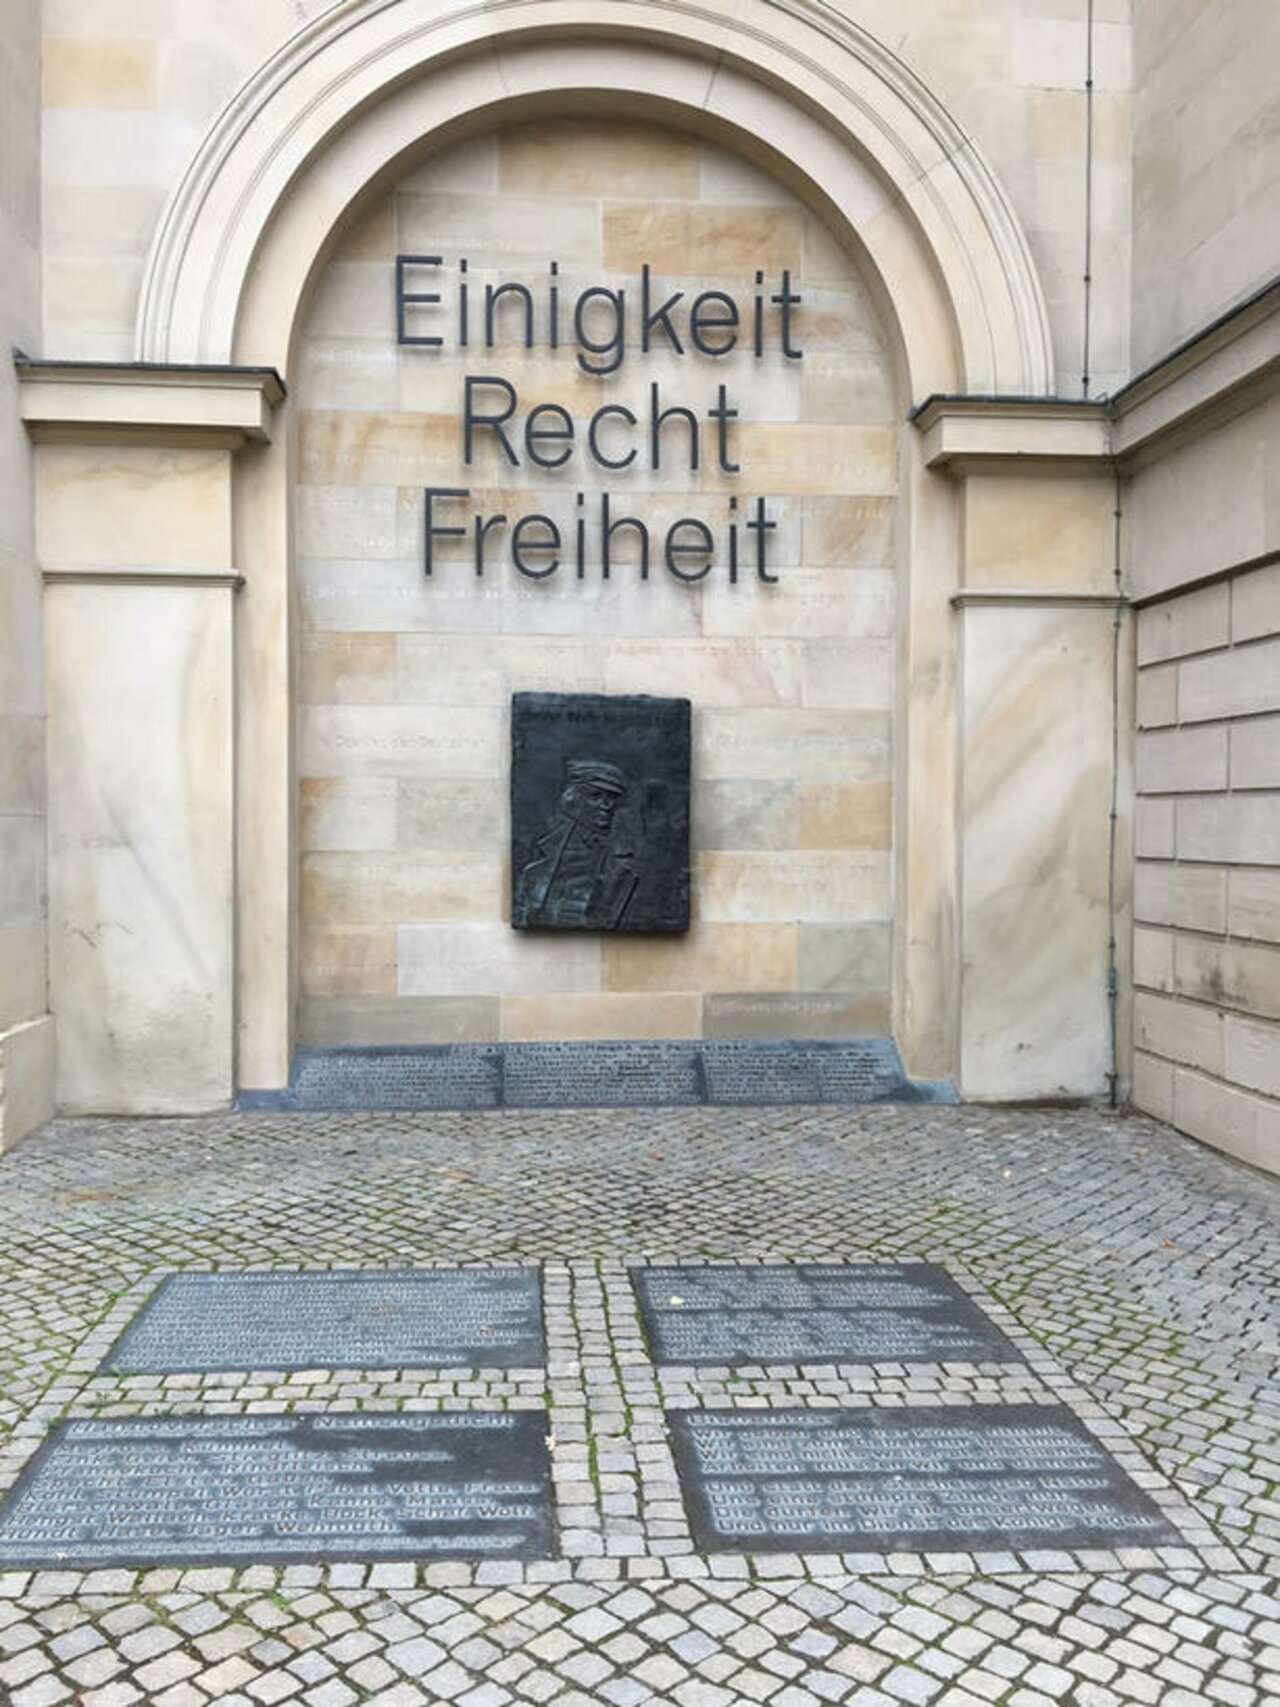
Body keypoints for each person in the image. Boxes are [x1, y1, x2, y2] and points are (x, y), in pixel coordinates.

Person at [514, 759, 639, 928]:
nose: (606, 806)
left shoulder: (623, 855)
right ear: (573, 798)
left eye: (612, 798)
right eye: (595, 796)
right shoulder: (546, 851)